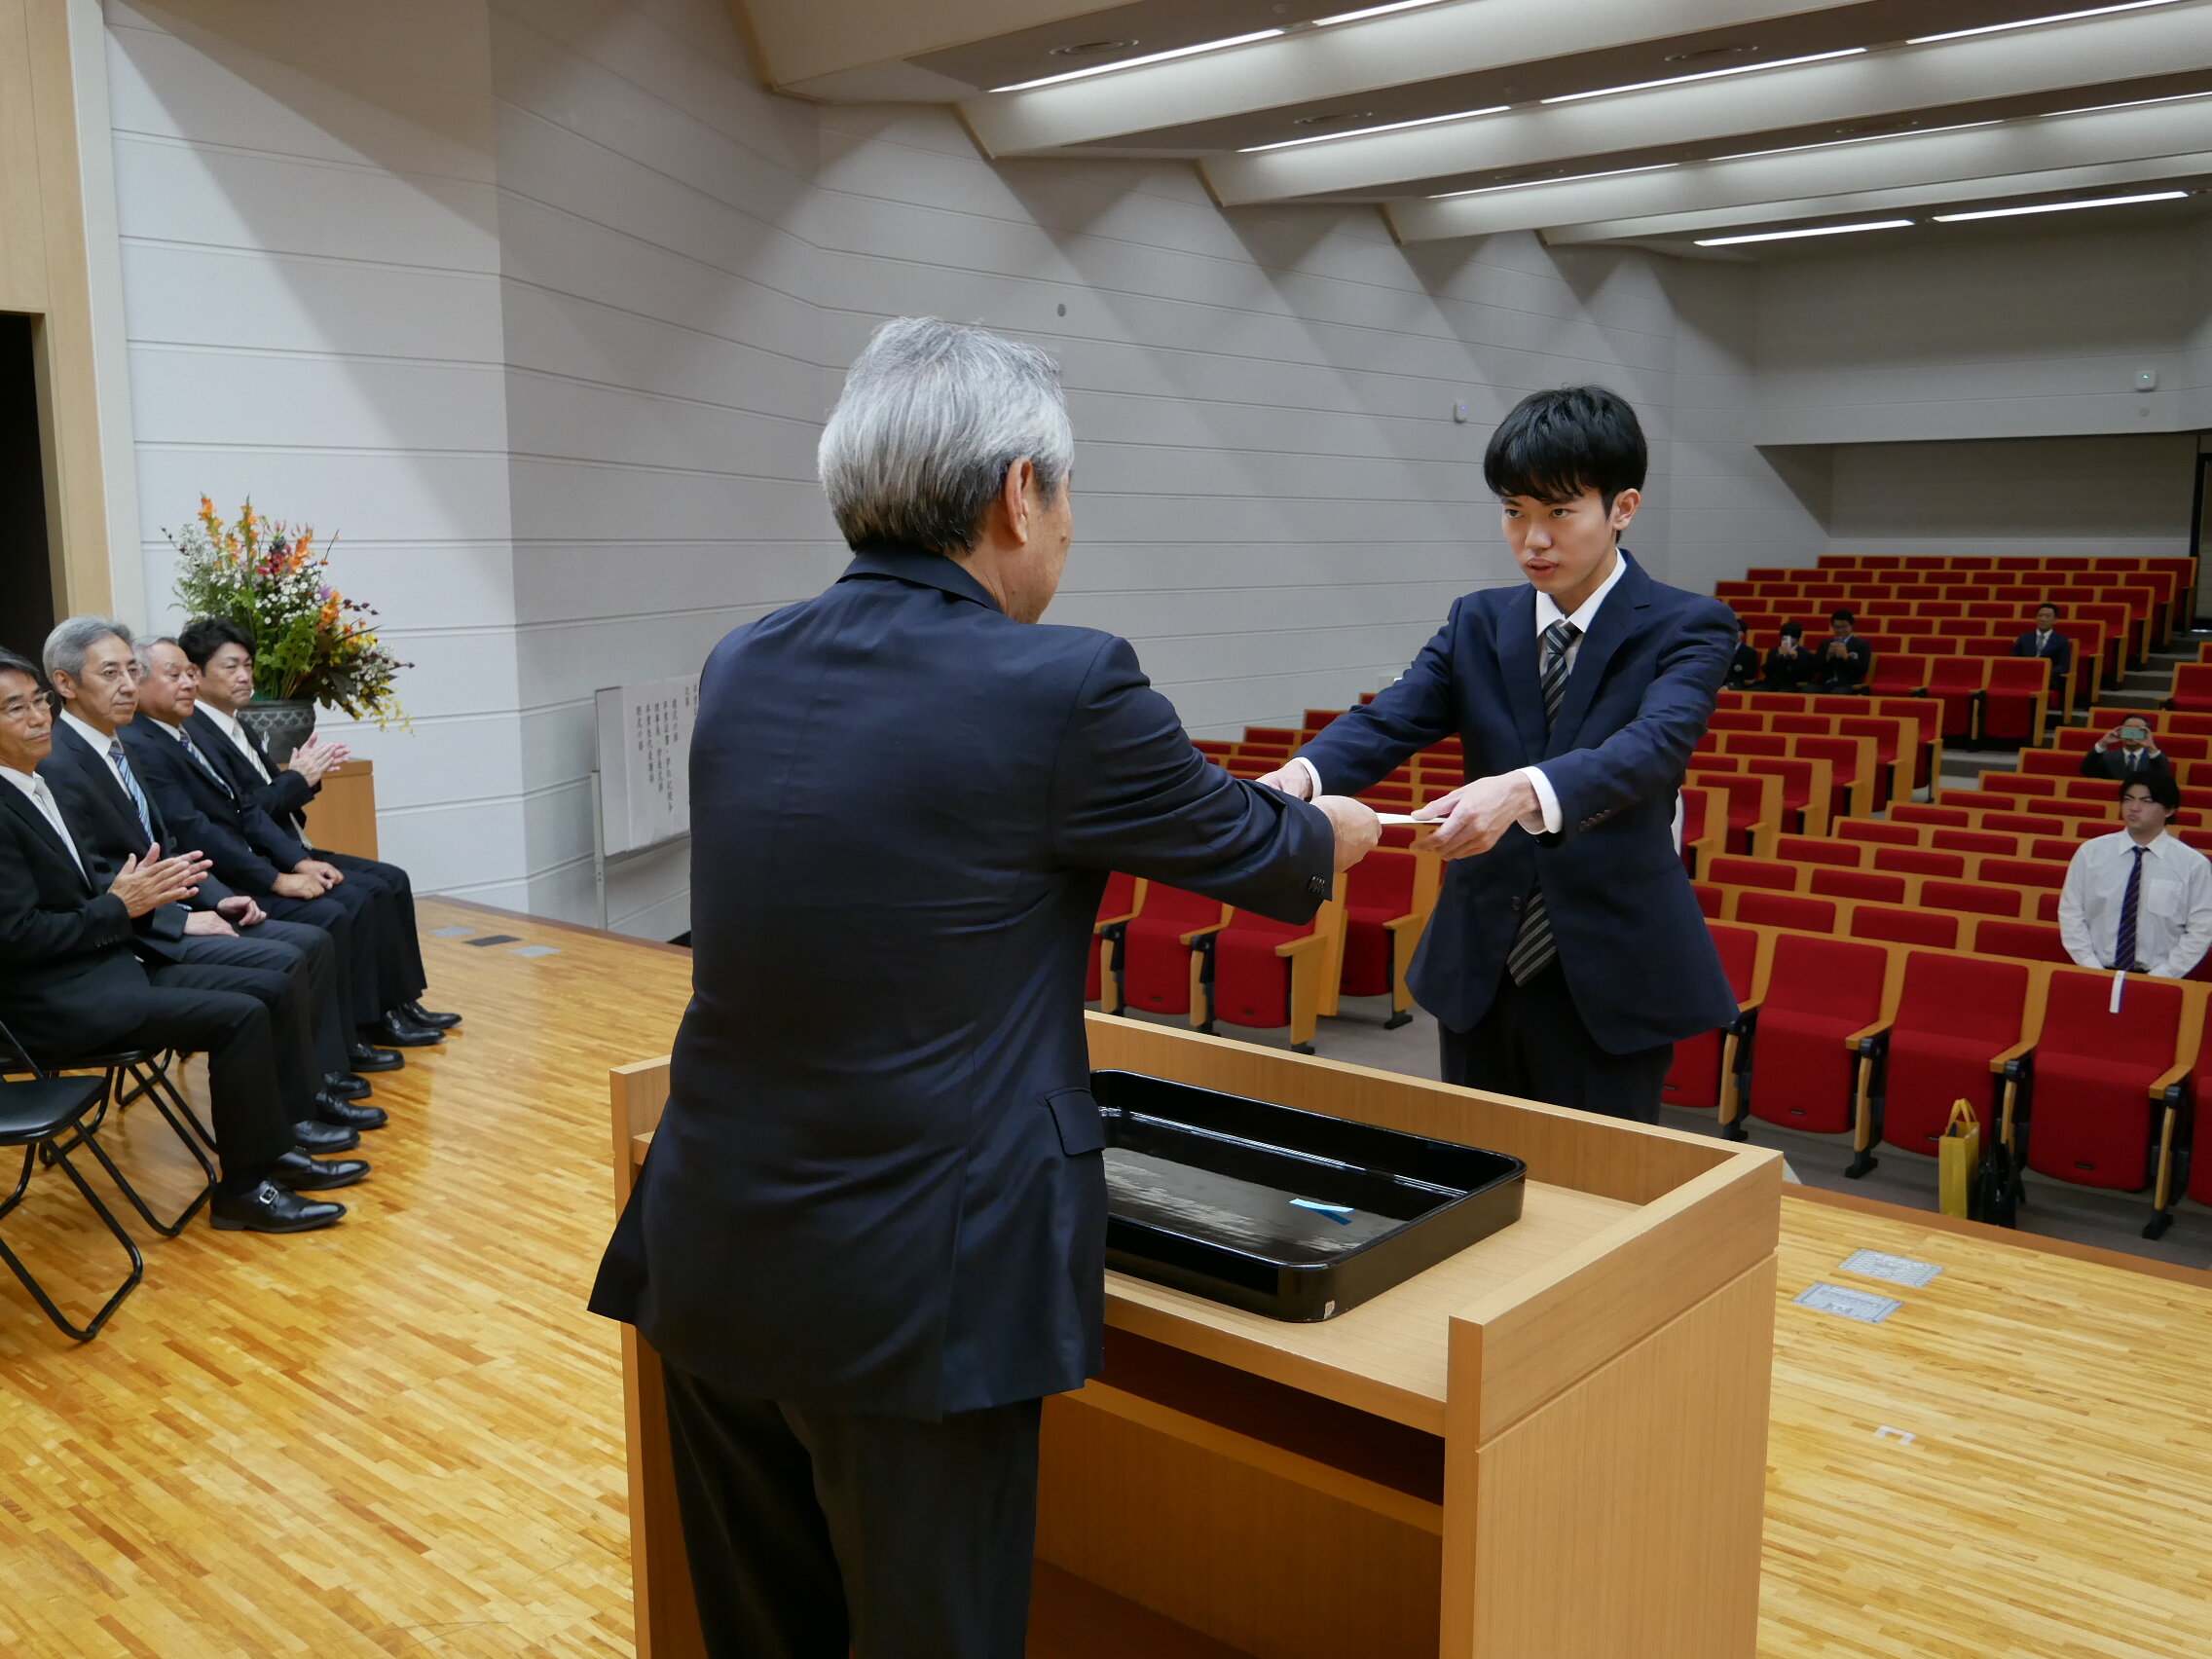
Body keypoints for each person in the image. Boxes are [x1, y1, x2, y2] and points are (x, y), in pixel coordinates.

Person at [590, 317, 1375, 1659]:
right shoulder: (1063, 684)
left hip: (715, 1245)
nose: (1069, 526)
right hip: (918, 1288)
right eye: (1067, 494)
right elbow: (1263, 852)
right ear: (1020, 492)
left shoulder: (744, 660)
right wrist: (1334, 824)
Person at [1264, 384, 1738, 1124]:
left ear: (1622, 509)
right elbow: (1390, 719)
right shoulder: (1478, 621)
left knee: (1597, 1176)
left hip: (1613, 966)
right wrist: (1299, 775)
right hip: (1480, 957)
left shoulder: (1689, 624)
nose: (1532, 539)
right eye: (1515, 511)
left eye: (1559, 512)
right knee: (1477, 1164)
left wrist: (1519, 791)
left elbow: (1653, 747)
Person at [0, 647, 362, 1232]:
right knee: (239, 1015)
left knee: (272, 983)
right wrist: (123, 907)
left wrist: (137, 906)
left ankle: (274, 1147)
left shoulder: (34, 784)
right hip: (54, 1002)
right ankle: (243, 1191)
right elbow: (17, 937)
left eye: (37, 701)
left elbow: (98, 887)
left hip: (106, 963)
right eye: (15, 709)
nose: (39, 717)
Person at [38, 618, 384, 1130]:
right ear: (65, 684)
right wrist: (181, 920)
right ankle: (298, 1110)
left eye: (132, 670)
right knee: (289, 955)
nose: (128, 685)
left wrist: (218, 898)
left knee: (310, 940)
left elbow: (170, 846)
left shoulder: (117, 743)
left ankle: (315, 1089)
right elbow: (96, 878)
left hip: (172, 908)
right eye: (111, 673)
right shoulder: (58, 761)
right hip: (132, 937)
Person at [117, 634, 441, 1054]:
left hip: (265, 855)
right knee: (343, 906)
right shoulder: (150, 741)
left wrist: (296, 860)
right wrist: (277, 877)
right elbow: (199, 831)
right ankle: (354, 1033)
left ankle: (391, 1008)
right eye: (176, 674)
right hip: (224, 877)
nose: (188, 683)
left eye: (248, 665)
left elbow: (245, 810)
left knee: (387, 881)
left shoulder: (193, 731)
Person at [2057, 772, 2212, 978]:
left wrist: (2163, 975)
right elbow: (2071, 913)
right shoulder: (2091, 852)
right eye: (2128, 799)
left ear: (2169, 810)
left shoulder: (2193, 864)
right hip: (2095, 970)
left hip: (2161, 977)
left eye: (2146, 801)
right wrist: (2090, 965)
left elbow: (2201, 929)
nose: (2134, 807)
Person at [2012, 602, 2073, 711]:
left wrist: (2043, 671)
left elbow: (2064, 666)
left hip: (2048, 679)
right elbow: (2013, 660)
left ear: (2055, 620)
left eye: (2047, 616)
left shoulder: (2062, 641)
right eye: (2040, 616)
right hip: (2024, 677)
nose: (2043, 619)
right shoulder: (2024, 639)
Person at [2079, 715, 2169, 781]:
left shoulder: (2155, 758)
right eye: (2128, 729)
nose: (2132, 733)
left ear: (2146, 733)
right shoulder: (2107, 756)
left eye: (2138, 729)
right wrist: (2102, 743)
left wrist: (2151, 747)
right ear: (2121, 731)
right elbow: (2087, 771)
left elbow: (2164, 778)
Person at [1812, 608, 1870, 693]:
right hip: (1826, 683)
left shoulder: (1862, 644)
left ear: (1851, 626)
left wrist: (1846, 657)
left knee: (1837, 692)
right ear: (1832, 626)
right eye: (1837, 627)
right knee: (1808, 689)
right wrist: (1827, 657)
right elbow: (1815, 668)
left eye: (1844, 627)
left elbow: (1863, 669)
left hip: (1849, 684)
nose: (1840, 630)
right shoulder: (1825, 644)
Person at [1762, 620, 1816, 690]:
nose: (1787, 639)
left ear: (1797, 638)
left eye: (1791, 636)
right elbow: (1766, 671)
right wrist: (1778, 656)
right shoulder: (1774, 651)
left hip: (1792, 685)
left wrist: (1795, 660)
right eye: (1785, 636)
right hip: (1772, 684)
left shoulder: (1805, 654)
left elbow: (1807, 676)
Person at [1724, 617, 1760, 688]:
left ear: (1744, 634)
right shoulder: (1719, 649)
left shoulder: (1750, 653)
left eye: (1738, 630)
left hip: (1737, 684)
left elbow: (1748, 677)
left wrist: (1728, 685)